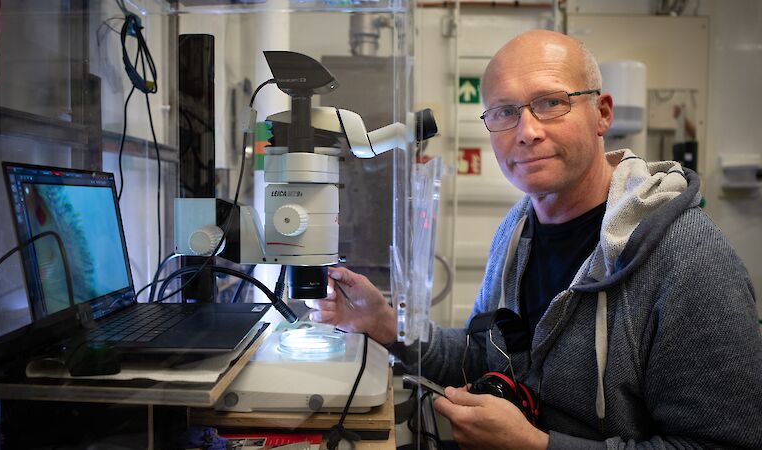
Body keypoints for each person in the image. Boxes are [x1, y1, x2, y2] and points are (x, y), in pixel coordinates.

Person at [306, 29, 762, 449]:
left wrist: (537, 446)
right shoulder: (516, 232)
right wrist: (384, 323)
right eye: (505, 112)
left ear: (602, 113)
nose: (526, 132)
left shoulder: (688, 259)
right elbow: (481, 357)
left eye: (550, 103)